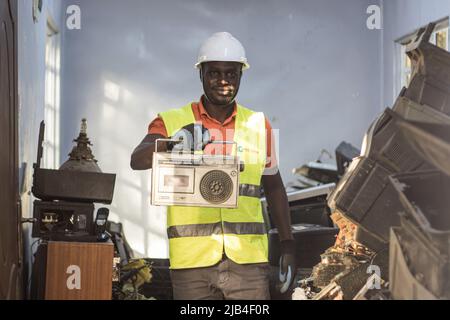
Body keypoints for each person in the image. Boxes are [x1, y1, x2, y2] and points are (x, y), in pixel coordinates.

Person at [130, 32, 295, 300]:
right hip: (192, 266)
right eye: (214, 73)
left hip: (248, 262)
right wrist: (175, 142)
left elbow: (274, 187)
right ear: (201, 75)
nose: (223, 81)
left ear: (241, 75)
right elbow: (137, 159)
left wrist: (288, 245)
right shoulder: (172, 121)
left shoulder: (258, 124)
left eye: (231, 74)